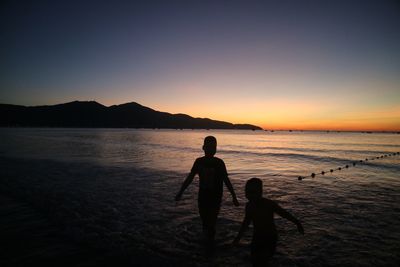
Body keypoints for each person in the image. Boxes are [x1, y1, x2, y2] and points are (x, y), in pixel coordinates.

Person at [175, 136, 239, 248]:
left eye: (213, 147)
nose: (211, 149)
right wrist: (181, 192)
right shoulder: (199, 162)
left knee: (212, 221)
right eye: (208, 147)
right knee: (204, 220)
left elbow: (226, 180)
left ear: (216, 149)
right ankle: (207, 244)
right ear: (203, 147)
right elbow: (190, 178)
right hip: (203, 196)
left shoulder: (219, 163)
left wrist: (234, 196)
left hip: (216, 197)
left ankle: (210, 243)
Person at [233, 178, 304, 267]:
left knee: (264, 260)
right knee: (254, 259)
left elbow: (284, 213)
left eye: (252, 192)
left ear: (260, 192)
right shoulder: (249, 205)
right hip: (257, 236)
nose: (249, 195)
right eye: (247, 192)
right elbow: (246, 222)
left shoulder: (269, 204)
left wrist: (297, 223)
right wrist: (238, 238)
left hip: (270, 237)